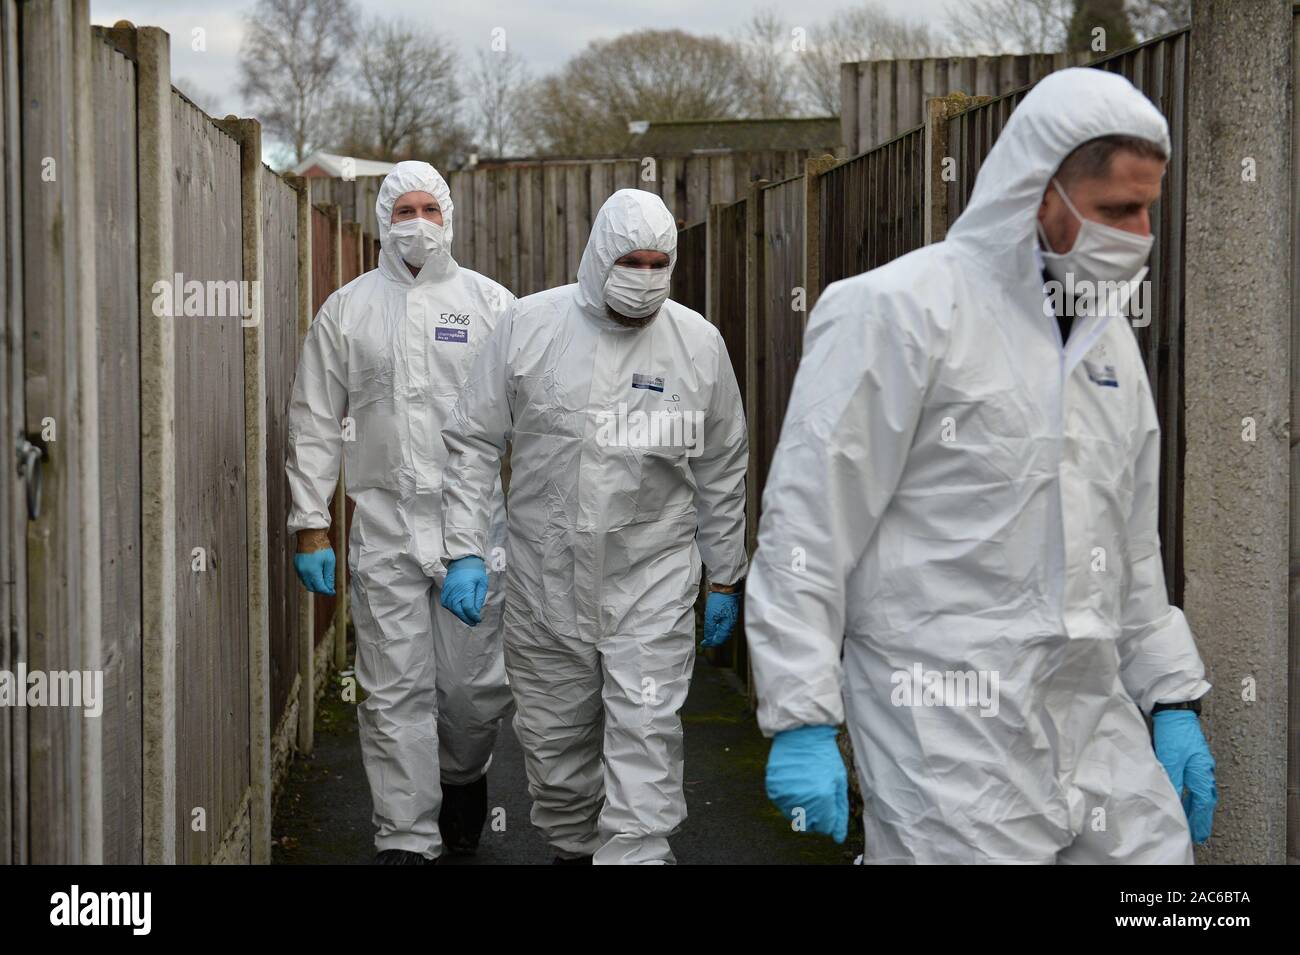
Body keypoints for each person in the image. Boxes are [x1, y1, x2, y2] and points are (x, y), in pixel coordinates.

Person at [746, 67, 1216, 864]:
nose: (1138, 234)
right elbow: (810, 525)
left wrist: (1169, 694)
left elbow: (1130, 546)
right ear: (1040, 193)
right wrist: (800, 715)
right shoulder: (900, 311)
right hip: (946, 725)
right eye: (1115, 210)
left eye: (1147, 210)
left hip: (1089, 715)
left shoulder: (1109, 347)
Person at [438, 188, 748, 865]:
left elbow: (723, 466)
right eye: (630, 259)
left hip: (652, 580)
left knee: (645, 729)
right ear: (600, 255)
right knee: (554, 740)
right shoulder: (530, 328)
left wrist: (725, 574)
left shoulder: (696, 345)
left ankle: (637, 852)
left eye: (657, 261)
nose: (644, 275)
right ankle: (575, 848)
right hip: (545, 580)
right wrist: (463, 548)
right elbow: (472, 439)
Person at [286, 161, 515, 865]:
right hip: (384, 528)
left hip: (473, 535)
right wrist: (311, 522)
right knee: (392, 690)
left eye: (429, 208)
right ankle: (406, 838)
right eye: (404, 209)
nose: (417, 222)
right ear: (387, 218)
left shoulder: (493, 306)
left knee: (472, 691)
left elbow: (533, 423)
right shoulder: (348, 310)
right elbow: (316, 418)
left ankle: (463, 775)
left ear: (448, 217)